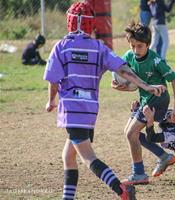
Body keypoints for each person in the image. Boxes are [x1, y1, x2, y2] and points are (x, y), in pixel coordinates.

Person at [43, 2, 166, 200]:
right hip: (90, 112)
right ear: (92, 24)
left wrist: (50, 101)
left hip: (73, 112)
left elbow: (53, 79)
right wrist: (146, 86)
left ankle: (122, 190)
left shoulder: (61, 47)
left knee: (88, 157)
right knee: (68, 156)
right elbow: (124, 70)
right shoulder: (99, 47)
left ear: (69, 22)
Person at [112, 22, 175, 184]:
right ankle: (164, 156)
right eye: (133, 46)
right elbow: (128, 82)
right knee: (129, 133)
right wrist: (118, 86)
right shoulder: (128, 57)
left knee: (131, 134)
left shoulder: (156, 60)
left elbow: (174, 80)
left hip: (158, 99)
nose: (136, 50)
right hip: (145, 100)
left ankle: (139, 174)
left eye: (140, 46)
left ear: (148, 44)